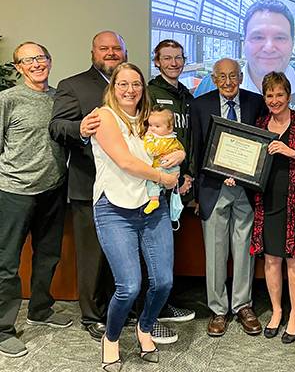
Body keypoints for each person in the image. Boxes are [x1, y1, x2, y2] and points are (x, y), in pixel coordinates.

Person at [91, 62, 181, 371]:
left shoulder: (147, 120)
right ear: (113, 87)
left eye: (136, 84)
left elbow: (171, 144)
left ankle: (145, 328)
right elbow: (126, 162)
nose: (130, 90)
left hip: (151, 208)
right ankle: (112, 338)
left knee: (164, 281)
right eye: (123, 84)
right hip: (114, 209)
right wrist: (162, 176)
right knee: (129, 286)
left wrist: (179, 155)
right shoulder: (103, 116)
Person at [49, 31, 127, 342]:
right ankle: (92, 315)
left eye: (116, 49)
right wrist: (79, 128)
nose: (111, 53)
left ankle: (116, 307)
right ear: (92, 51)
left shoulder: (131, 84)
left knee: (119, 253)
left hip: (128, 185)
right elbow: (56, 127)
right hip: (89, 185)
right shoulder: (73, 85)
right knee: (93, 254)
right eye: (104, 48)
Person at [0, 42, 72, 358]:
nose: (36, 63)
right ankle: (3, 329)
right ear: (18, 67)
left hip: (53, 189)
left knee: (48, 254)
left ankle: (40, 308)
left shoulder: (59, 98)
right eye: (28, 60)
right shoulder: (8, 100)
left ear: (50, 60)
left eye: (41, 57)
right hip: (14, 191)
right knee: (7, 263)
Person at [189, 58, 266, 337]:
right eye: (222, 77)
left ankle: (243, 305)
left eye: (233, 76)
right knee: (215, 251)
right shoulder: (200, 105)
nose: (228, 82)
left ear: (242, 76)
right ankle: (218, 309)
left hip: (246, 189)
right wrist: (196, 195)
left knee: (244, 250)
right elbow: (196, 149)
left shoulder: (256, 102)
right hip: (213, 189)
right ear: (214, 78)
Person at [250, 72, 295, 343]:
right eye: (270, 95)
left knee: (294, 260)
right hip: (266, 202)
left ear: (289, 96)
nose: (275, 100)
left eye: (280, 94)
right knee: (271, 259)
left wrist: (291, 152)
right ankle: (277, 311)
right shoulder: (259, 124)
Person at [145, 39, 196, 332]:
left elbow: (184, 141)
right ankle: (150, 314)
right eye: (167, 58)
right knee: (152, 249)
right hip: (155, 183)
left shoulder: (186, 95)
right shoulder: (150, 93)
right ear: (157, 61)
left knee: (166, 248)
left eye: (178, 57)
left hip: (178, 183)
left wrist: (186, 174)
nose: (174, 62)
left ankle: (163, 304)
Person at [194, 0, 295, 112]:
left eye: (280, 37)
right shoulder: (210, 86)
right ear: (244, 42)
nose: (269, 48)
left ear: (292, 43)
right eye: (258, 37)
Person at [143, 106, 185, 214]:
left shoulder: (161, 141)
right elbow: (181, 148)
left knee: (151, 181)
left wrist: (147, 138)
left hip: (164, 169)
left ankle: (154, 200)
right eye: (150, 125)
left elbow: (152, 151)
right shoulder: (173, 138)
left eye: (157, 126)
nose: (152, 129)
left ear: (170, 128)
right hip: (174, 171)